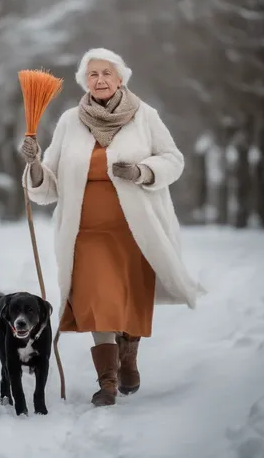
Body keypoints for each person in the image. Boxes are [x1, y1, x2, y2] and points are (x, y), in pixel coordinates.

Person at [20, 47, 204, 407]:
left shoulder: (144, 116)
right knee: (97, 300)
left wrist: (142, 171)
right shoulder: (71, 121)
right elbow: (50, 184)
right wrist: (36, 165)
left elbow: (173, 160)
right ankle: (107, 381)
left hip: (135, 230)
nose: (100, 80)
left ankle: (129, 356)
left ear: (121, 78)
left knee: (130, 297)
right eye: (93, 75)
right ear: (84, 82)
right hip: (85, 233)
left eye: (107, 73)